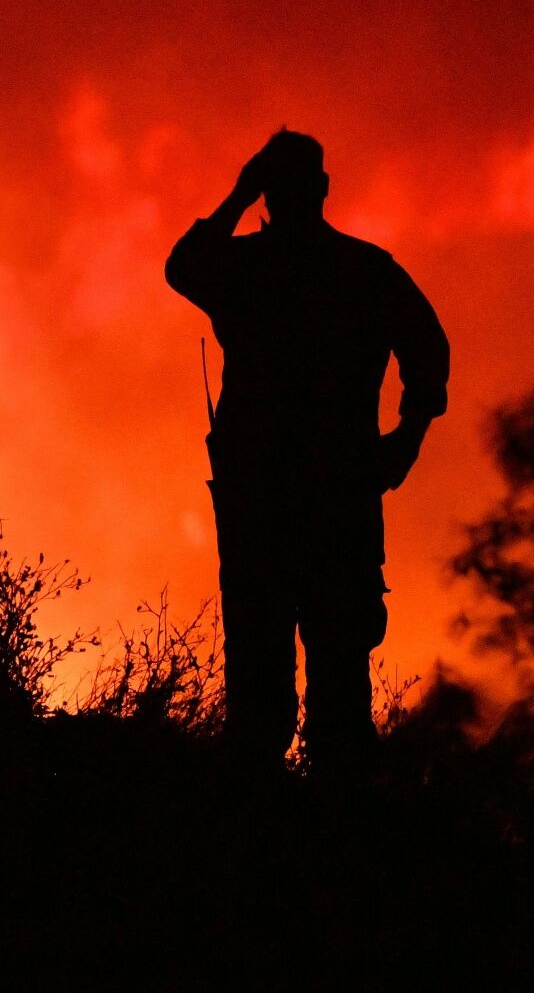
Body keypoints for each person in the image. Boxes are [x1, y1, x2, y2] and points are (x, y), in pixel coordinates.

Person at [165, 130, 449, 773]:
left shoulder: (246, 269)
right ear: (322, 188)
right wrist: (403, 443)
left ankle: (274, 837)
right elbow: (429, 355)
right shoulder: (364, 270)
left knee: (268, 701)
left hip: (269, 503)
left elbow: (184, 265)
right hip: (332, 500)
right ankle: (328, 840)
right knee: (335, 695)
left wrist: (239, 192)